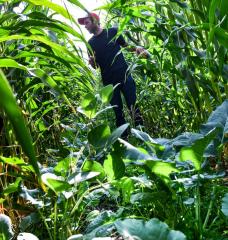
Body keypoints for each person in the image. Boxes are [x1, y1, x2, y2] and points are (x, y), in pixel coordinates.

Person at [78, 13, 149, 136]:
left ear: (95, 21)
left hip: (125, 76)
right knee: (118, 113)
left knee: (133, 107)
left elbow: (126, 46)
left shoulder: (112, 32)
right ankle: (125, 142)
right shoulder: (90, 43)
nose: (85, 26)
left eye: (87, 23)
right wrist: (92, 63)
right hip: (109, 83)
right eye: (84, 24)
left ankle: (142, 137)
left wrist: (137, 48)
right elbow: (96, 66)